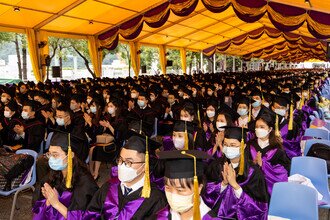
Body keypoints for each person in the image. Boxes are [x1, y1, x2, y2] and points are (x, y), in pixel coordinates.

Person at [67, 135, 167, 219]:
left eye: (128, 162)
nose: (122, 166)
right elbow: (92, 214)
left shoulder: (156, 199)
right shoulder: (109, 186)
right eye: (120, 160)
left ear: (145, 165)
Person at [205, 126, 269, 219]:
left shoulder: (253, 173)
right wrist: (223, 184)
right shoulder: (216, 166)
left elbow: (259, 208)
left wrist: (236, 186)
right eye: (226, 144)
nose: (228, 148)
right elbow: (206, 193)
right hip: (216, 214)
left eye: (233, 145)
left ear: (244, 146)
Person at [32, 131, 98, 219]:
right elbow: (38, 206)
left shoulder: (85, 182)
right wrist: (47, 199)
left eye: (55, 155)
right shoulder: (55, 173)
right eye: (49, 154)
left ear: (71, 155)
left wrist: (56, 203)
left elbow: (84, 217)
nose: (51, 159)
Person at [155, 150, 218, 219]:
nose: (173, 195)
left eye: (180, 190)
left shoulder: (209, 218)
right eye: (168, 188)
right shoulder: (160, 216)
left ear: (199, 188)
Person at [248, 113, 291, 194]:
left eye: (262, 127)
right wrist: (253, 164)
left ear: (270, 129)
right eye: (256, 127)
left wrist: (263, 165)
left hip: (270, 187)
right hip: (252, 185)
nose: (258, 129)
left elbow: (283, 171)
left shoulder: (277, 148)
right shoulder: (250, 145)